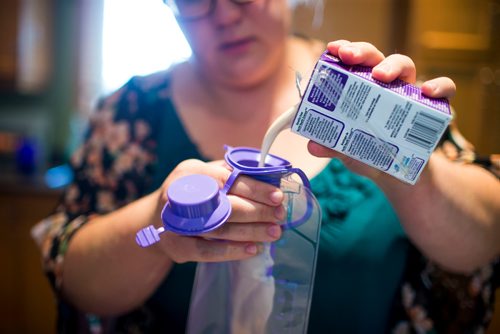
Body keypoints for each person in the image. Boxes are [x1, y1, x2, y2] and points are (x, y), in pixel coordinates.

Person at [32, 0, 500, 333]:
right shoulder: (129, 112)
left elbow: (485, 235)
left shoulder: (363, 92)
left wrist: (404, 166)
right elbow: (76, 276)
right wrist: (156, 226)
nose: (226, 15)